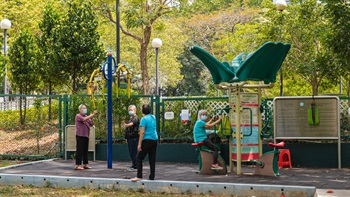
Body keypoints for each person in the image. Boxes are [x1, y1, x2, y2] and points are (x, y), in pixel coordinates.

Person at [131, 104, 158, 182]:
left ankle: (139, 176)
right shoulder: (153, 117)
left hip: (147, 140)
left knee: (139, 158)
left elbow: (142, 132)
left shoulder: (143, 119)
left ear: (142, 111)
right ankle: (152, 176)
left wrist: (139, 144)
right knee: (152, 159)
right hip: (154, 139)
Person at [75, 104, 97, 170]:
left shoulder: (87, 116)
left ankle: (85, 164)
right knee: (79, 150)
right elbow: (83, 119)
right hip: (80, 135)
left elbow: (92, 124)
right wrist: (92, 115)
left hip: (86, 135)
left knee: (85, 150)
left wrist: (91, 118)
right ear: (80, 109)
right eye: (83, 108)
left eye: (85, 108)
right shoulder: (78, 116)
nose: (85, 109)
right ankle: (77, 165)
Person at [124, 105, 140, 172]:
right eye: (129, 110)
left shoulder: (136, 117)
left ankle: (136, 166)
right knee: (131, 152)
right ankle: (134, 165)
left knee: (134, 152)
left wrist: (126, 125)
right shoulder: (130, 118)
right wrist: (126, 138)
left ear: (134, 110)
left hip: (134, 137)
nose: (130, 111)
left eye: (131, 110)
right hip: (129, 137)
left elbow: (132, 124)